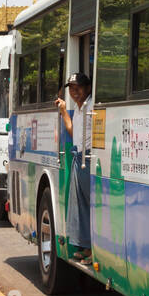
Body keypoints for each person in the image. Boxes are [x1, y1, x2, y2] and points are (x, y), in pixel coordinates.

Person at [56, 72, 93, 261]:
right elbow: (73, 132)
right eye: (71, 88)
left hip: (89, 158)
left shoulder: (91, 105)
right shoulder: (78, 108)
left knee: (89, 205)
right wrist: (63, 111)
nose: (74, 91)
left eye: (78, 87)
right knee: (80, 206)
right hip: (79, 157)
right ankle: (86, 248)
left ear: (88, 88)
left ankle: (93, 250)